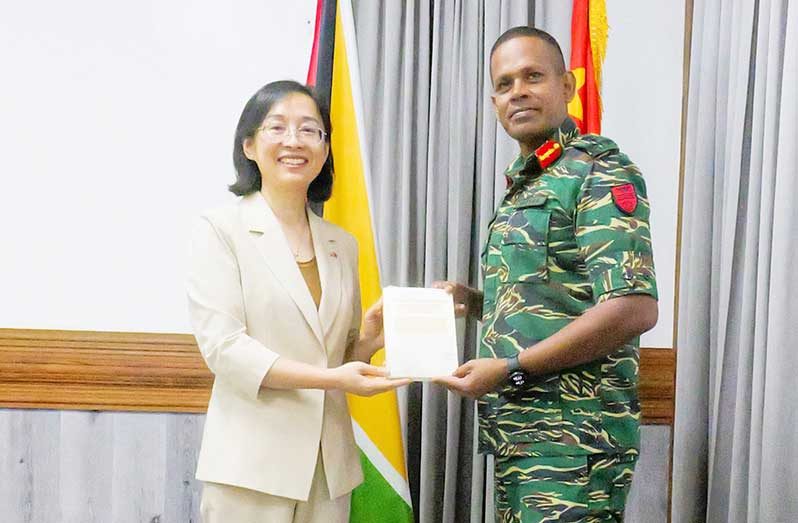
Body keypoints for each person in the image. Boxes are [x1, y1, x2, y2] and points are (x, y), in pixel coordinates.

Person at [435, 27, 659, 522]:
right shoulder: (529, 183)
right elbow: (554, 295)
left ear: (567, 86)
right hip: (523, 434)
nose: (517, 91)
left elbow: (633, 308)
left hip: (574, 441)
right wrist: (471, 300)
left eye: (533, 76)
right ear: (494, 101)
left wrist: (513, 368)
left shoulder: (596, 172)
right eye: (504, 83)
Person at [186, 80, 409, 523]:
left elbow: (338, 358)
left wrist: (366, 340)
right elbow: (226, 351)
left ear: (325, 149)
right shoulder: (219, 229)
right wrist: (334, 380)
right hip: (252, 467)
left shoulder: (341, 244)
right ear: (249, 145)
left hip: (329, 468)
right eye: (278, 127)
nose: (294, 141)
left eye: (310, 130)